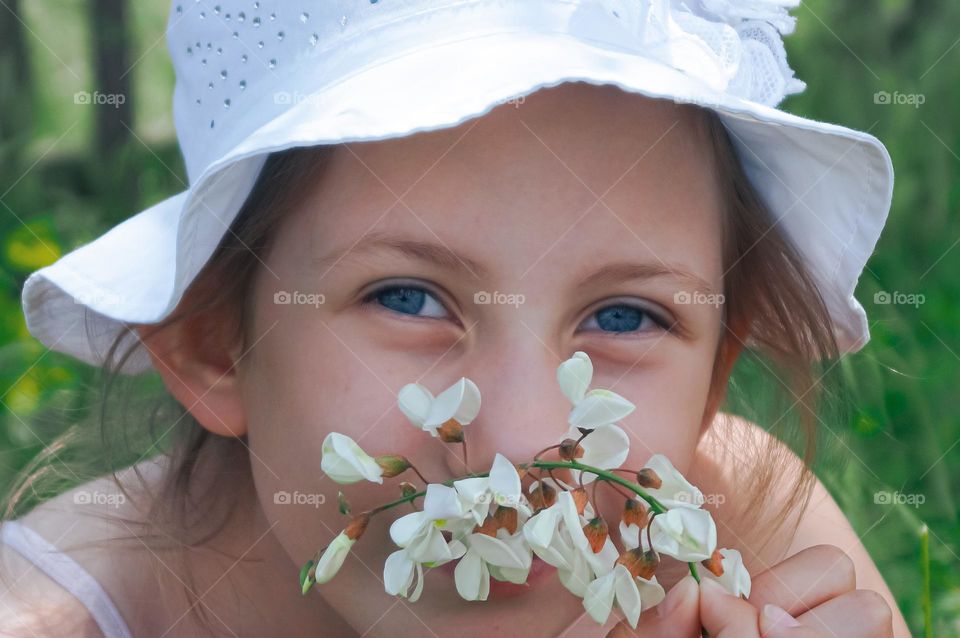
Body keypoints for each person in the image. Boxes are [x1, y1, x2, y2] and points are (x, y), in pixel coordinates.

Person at [2, 1, 909, 636]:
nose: (521, 441)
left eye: (626, 316)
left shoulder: (738, 536)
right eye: (408, 298)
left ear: (716, 373)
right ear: (214, 341)